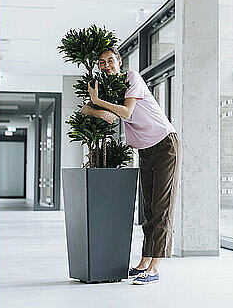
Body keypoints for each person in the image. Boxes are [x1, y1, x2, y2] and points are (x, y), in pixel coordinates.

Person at [80, 47, 180, 286]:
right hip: (144, 149)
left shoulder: (131, 77)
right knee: (148, 208)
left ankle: (155, 268)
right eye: (101, 62)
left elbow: (126, 111)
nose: (106, 65)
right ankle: (144, 262)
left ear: (119, 61)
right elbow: (87, 110)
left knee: (161, 207)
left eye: (110, 60)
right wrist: (98, 109)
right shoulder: (110, 90)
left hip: (165, 144)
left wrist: (97, 102)